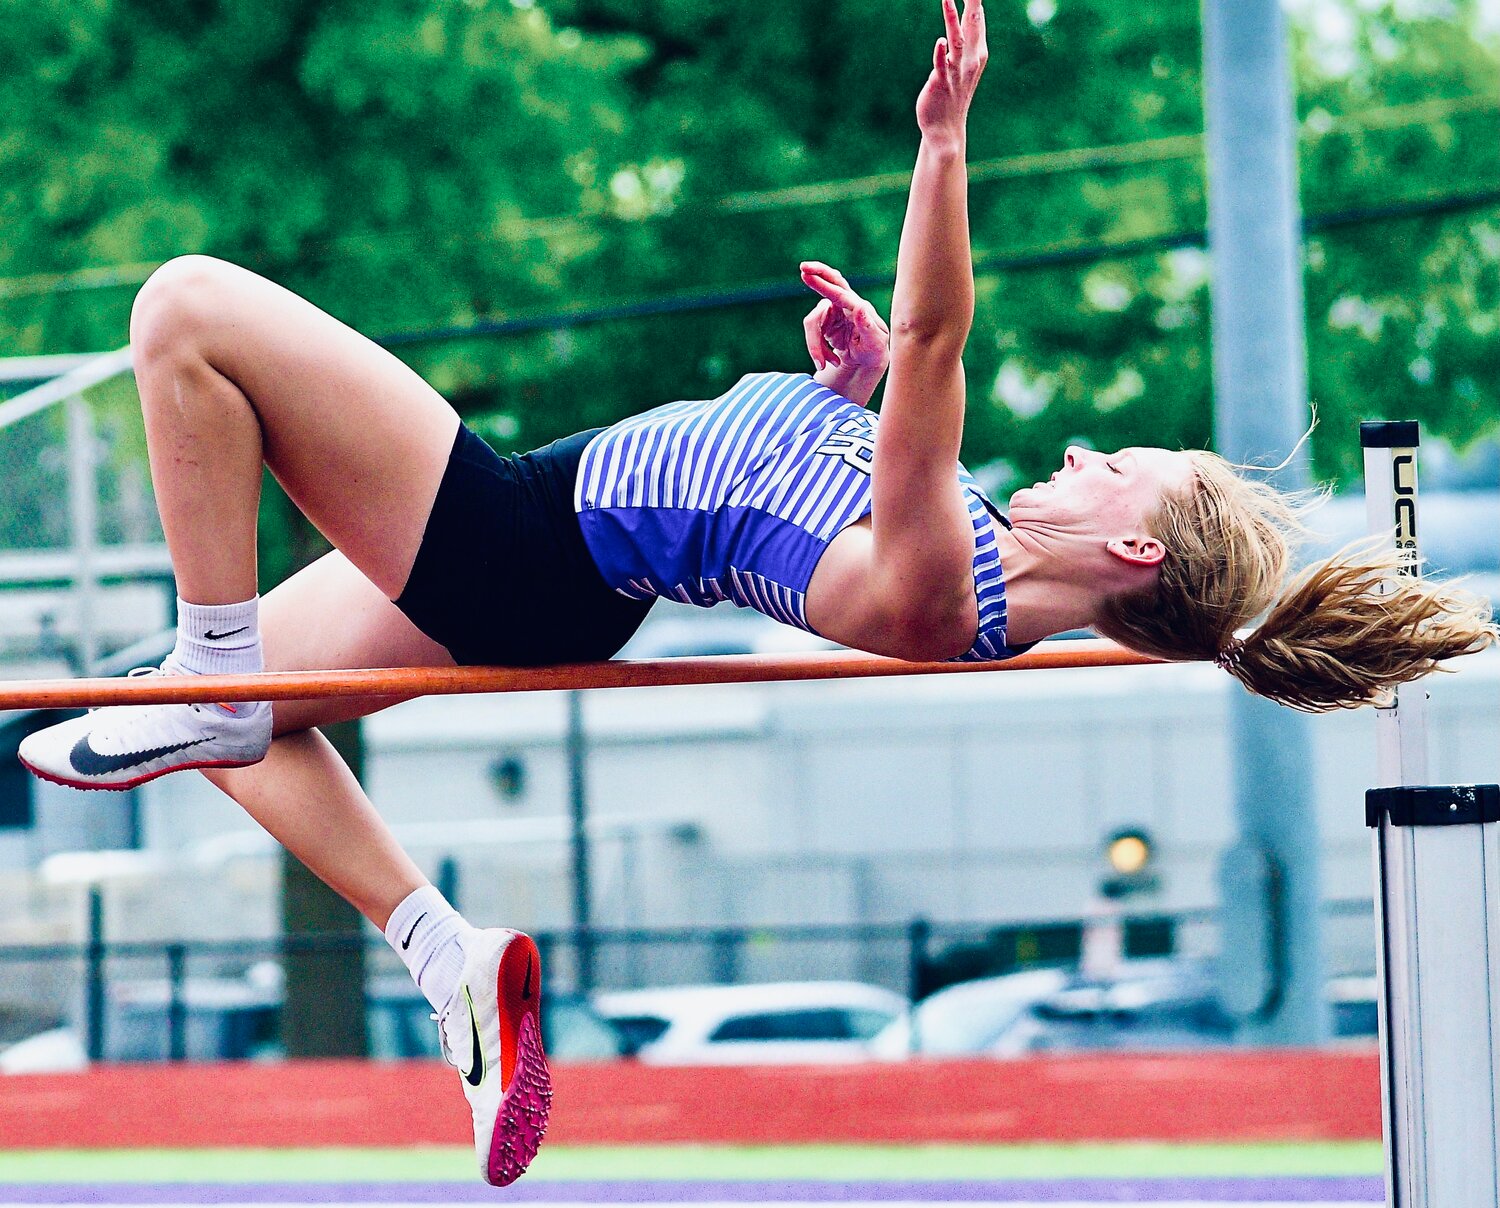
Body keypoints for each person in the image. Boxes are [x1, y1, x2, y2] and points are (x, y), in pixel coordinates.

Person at [16, 0, 1497, 1182]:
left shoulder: (947, 584)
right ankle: (446, 959)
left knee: (186, 309)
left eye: (1128, 467)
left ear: (1133, 558)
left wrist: (944, 143)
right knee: (172, 709)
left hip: (522, 542)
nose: (1093, 447)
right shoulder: (956, 544)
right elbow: (869, 416)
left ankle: (212, 683)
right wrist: (842, 394)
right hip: (554, 560)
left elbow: (936, 338)